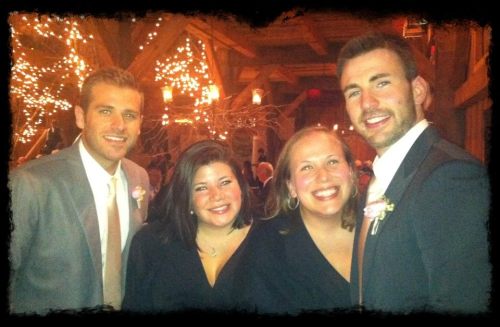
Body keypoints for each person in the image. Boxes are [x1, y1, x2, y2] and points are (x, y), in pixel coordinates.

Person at [337, 32, 490, 313]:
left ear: (418, 90)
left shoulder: (450, 177)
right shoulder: (380, 177)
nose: (367, 103)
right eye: (354, 92)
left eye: (381, 83)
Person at [9, 67, 150, 314]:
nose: (119, 125)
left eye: (130, 115)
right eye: (106, 111)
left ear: (140, 124)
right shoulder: (30, 183)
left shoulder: (139, 177)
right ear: (81, 117)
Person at [236, 126, 357, 314]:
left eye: (332, 161)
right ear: (291, 186)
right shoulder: (267, 246)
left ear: (350, 171)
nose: (323, 176)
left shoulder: (382, 226)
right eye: (307, 167)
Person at [122, 140, 254, 312]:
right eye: (201, 188)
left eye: (225, 182)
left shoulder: (270, 243)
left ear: (241, 187)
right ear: (187, 198)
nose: (216, 196)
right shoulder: (151, 245)